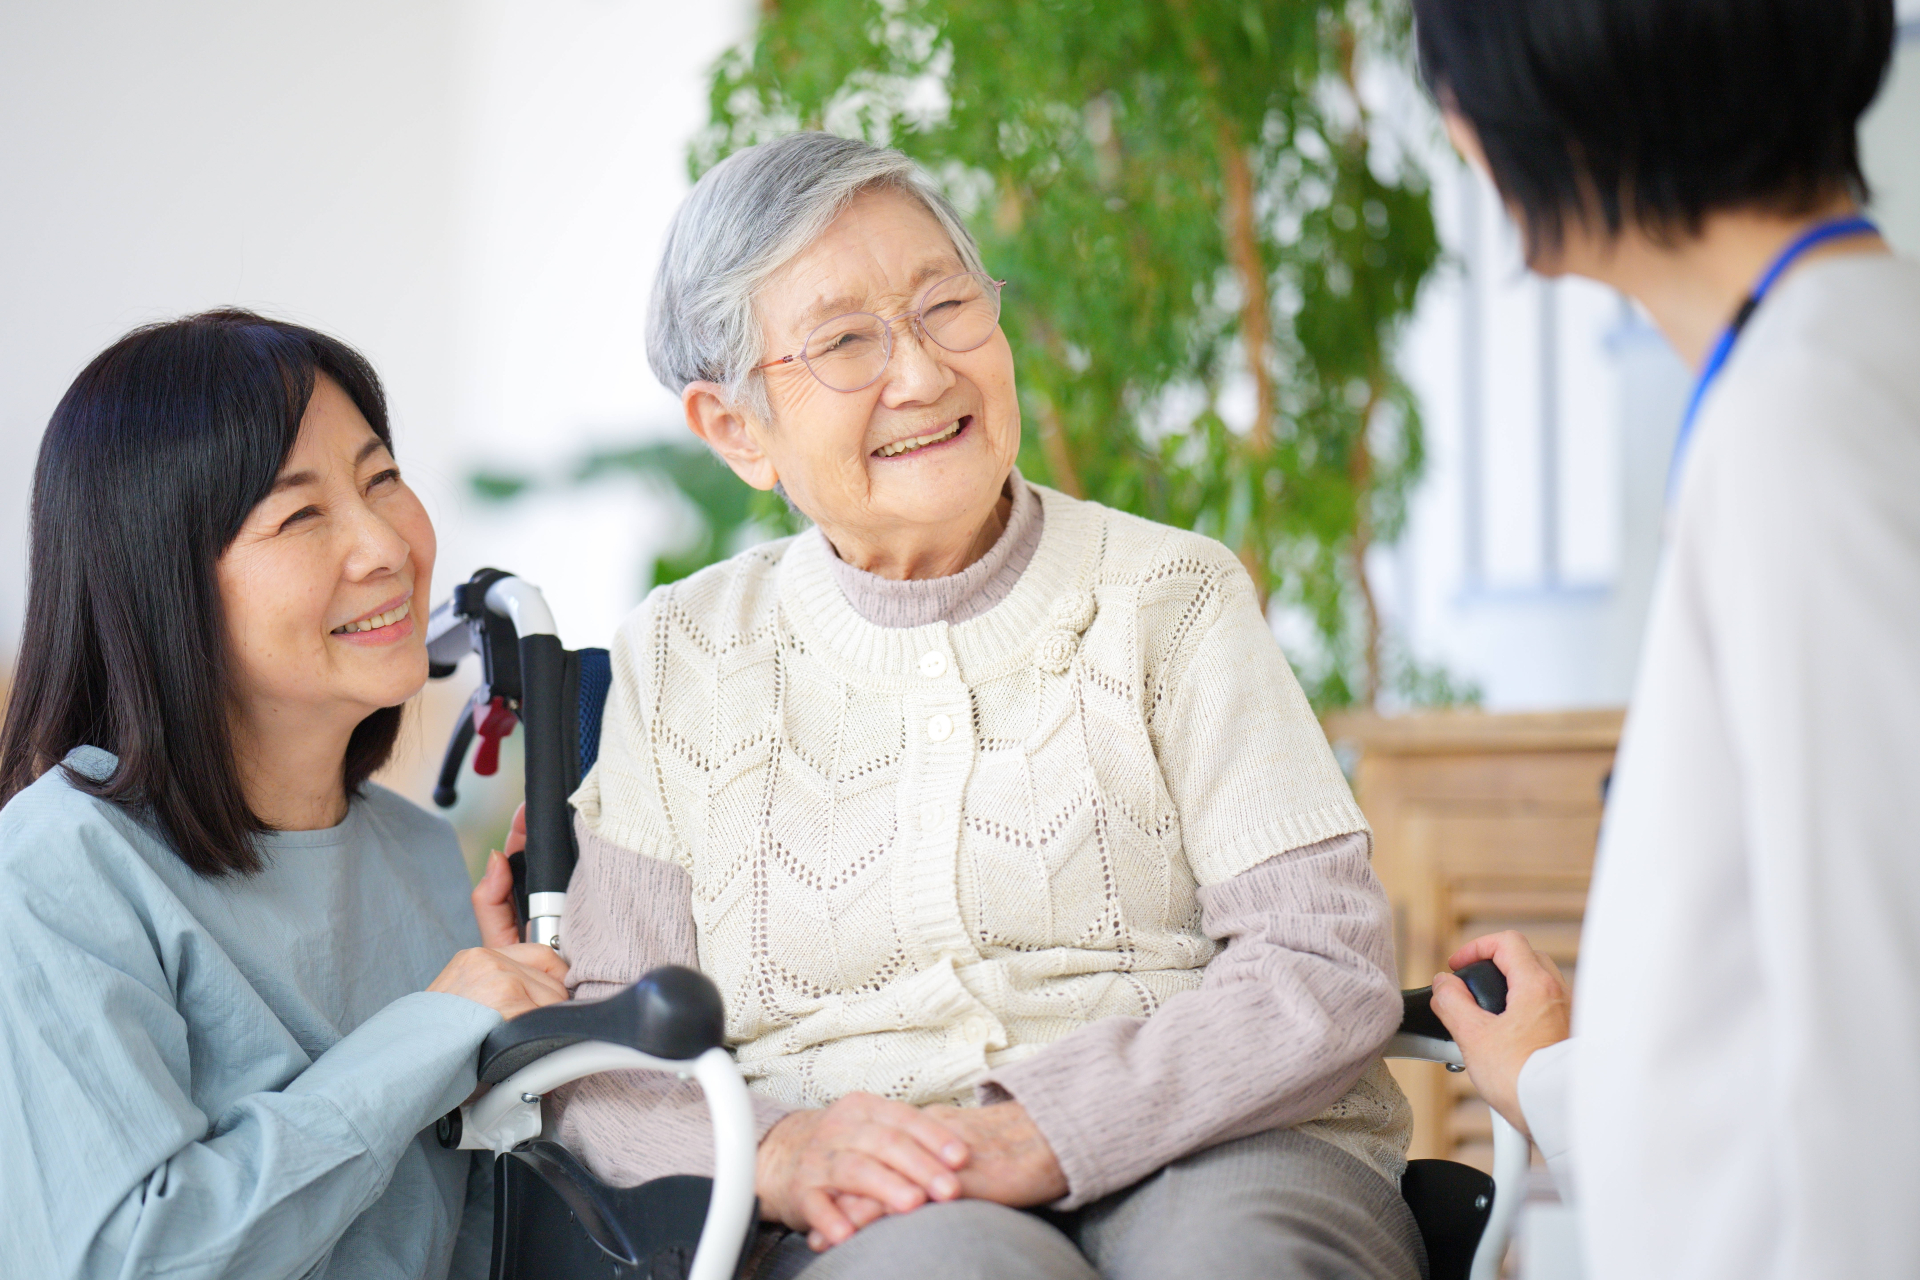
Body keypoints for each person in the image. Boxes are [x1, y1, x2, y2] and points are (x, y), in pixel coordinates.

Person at [553, 132, 1422, 1279]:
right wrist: (782, 1149)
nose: (920, 373)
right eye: (846, 341)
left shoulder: (1173, 595)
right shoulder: (683, 655)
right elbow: (616, 1042)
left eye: (945, 305)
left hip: (1232, 1143)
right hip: (884, 1188)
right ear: (737, 429)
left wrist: (1041, 1128)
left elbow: (1321, 954)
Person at [1410, 1, 1920, 1276]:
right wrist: (1557, 1081)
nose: (1456, 126)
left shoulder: (1796, 438)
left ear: (1557, 97)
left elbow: (1878, 1051)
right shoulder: (1840, 360)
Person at [0, 310, 570, 1279]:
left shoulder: (425, 856)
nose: (384, 544)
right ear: (162, 579)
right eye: (301, 514)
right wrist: (430, 1029)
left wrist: (511, 1044)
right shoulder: (57, 865)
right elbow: (125, 1260)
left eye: (381, 476)